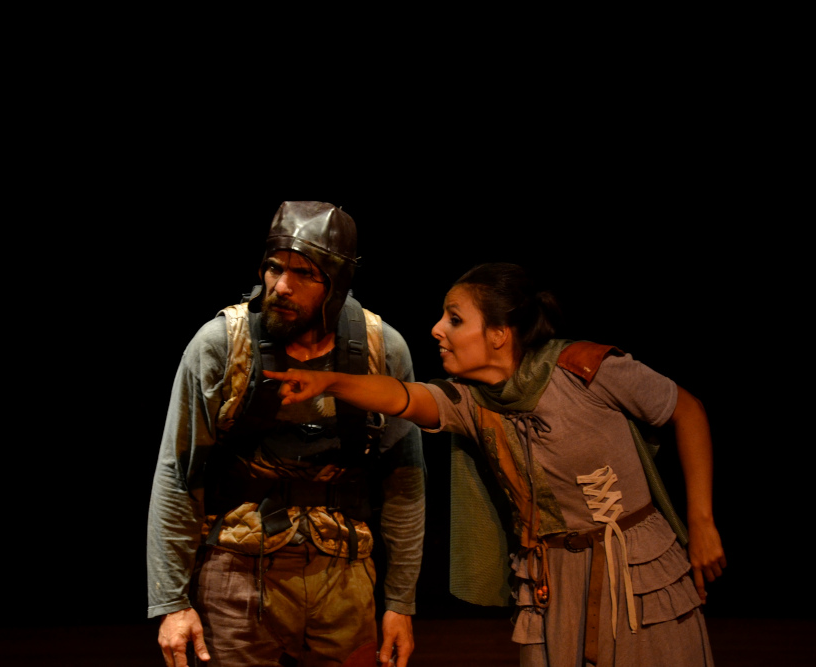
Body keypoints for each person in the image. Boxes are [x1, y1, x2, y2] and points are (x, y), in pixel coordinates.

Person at [266, 262, 726, 667]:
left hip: (636, 569)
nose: (436, 329)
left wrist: (701, 521)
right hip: (551, 579)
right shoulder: (472, 404)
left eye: (455, 319)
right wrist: (329, 382)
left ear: (499, 334)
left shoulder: (585, 369)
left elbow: (687, 410)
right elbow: (402, 396)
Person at [147, 201, 426, 667]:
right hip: (237, 575)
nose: (281, 286)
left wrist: (400, 602)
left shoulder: (383, 349)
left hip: (345, 576)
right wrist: (172, 603)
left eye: (304, 273)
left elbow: (405, 484)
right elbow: (178, 475)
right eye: (274, 267)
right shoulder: (220, 344)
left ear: (337, 283)